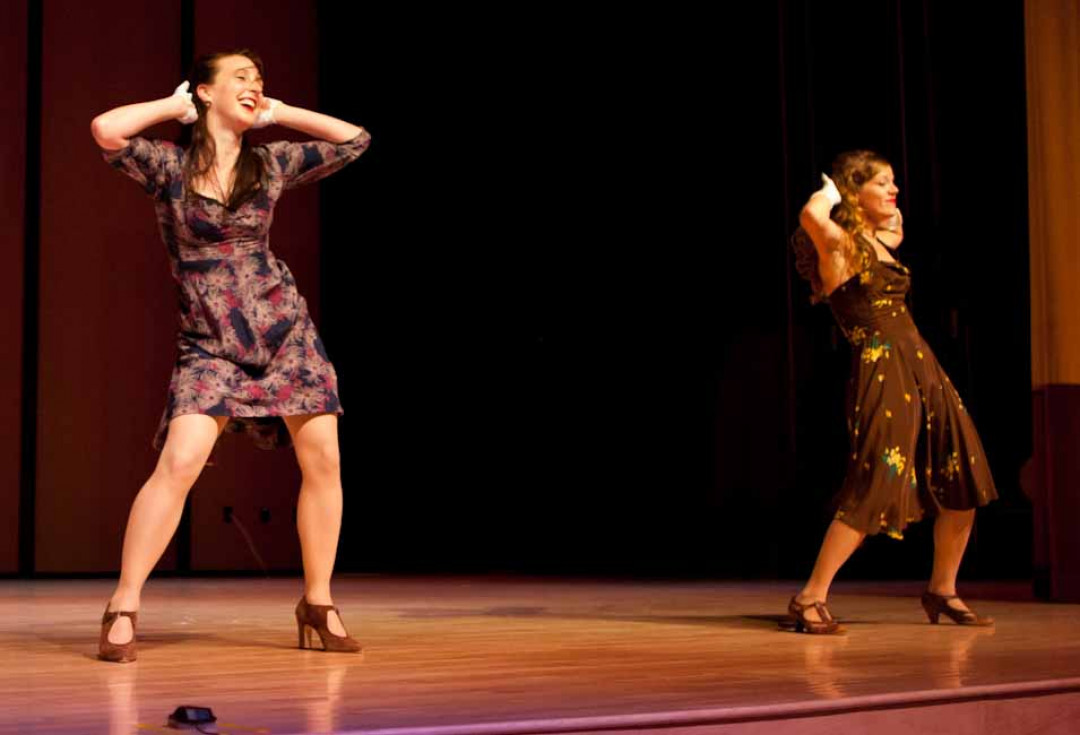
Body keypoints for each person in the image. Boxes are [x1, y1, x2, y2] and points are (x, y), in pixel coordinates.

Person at [90, 49, 369, 662]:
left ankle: (318, 602)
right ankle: (123, 604)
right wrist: (170, 107)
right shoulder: (168, 166)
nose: (254, 85)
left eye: (259, 78)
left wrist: (281, 111)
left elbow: (354, 139)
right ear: (205, 92)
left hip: (284, 330)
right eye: (241, 77)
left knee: (323, 459)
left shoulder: (270, 163)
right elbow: (106, 130)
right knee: (180, 461)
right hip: (210, 340)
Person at [786, 150, 997, 634]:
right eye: (881, 183)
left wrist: (883, 221)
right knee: (875, 483)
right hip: (883, 368)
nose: (893, 190)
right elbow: (812, 216)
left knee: (962, 475)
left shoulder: (876, 242)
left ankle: (942, 589)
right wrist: (831, 192)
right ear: (854, 192)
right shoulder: (839, 245)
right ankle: (810, 597)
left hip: (922, 364)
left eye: (893, 181)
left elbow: (893, 230)